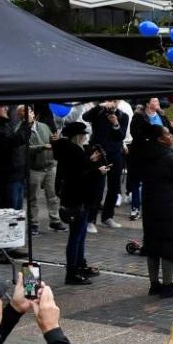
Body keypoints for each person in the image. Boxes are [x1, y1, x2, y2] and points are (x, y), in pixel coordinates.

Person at [139, 125, 173, 298]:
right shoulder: (168, 156)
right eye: (168, 134)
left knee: (153, 245)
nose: (171, 136)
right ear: (160, 139)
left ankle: (154, 283)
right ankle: (168, 284)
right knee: (169, 246)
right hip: (171, 207)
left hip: (151, 205)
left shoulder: (145, 154)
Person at [53, 122, 108, 285]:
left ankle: (78, 265)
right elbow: (79, 177)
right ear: (77, 136)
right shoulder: (74, 151)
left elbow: (78, 170)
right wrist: (97, 170)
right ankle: (72, 271)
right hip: (77, 198)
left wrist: (90, 161)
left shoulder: (68, 150)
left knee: (80, 234)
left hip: (74, 197)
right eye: (83, 134)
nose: (85, 137)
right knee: (77, 235)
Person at [82, 100, 129, 229]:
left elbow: (121, 136)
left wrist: (115, 124)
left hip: (115, 154)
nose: (112, 104)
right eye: (110, 100)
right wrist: (99, 106)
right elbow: (85, 117)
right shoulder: (99, 112)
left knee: (114, 187)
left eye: (115, 101)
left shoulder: (123, 116)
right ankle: (90, 220)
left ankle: (108, 216)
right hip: (99, 153)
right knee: (97, 187)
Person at [22, 106, 65, 234]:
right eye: (24, 113)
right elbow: (24, 149)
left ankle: (55, 221)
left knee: (53, 196)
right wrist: (41, 147)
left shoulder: (43, 126)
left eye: (29, 112)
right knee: (33, 198)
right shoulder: (21, 129)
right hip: (34, 168)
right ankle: (33, 224)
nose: (28, 114)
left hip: (50, 166)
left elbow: (51, 141)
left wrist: (55, 140)